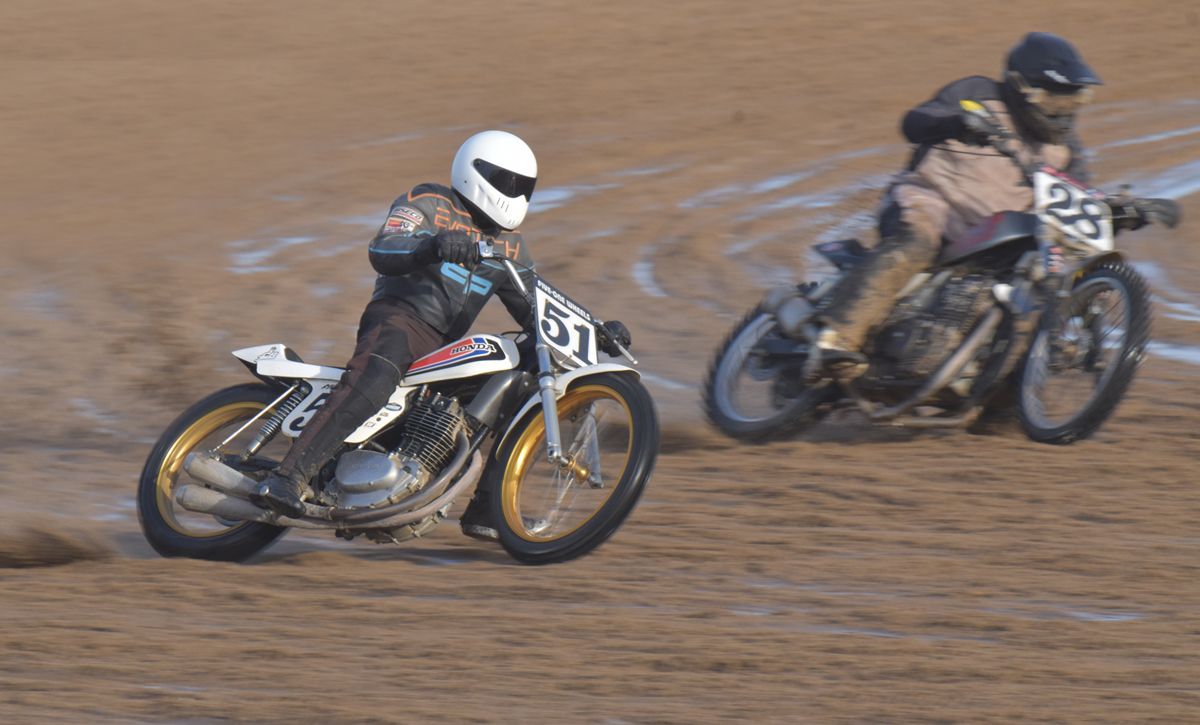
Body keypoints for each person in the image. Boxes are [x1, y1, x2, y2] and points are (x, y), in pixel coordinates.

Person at [253, 130, 631, 541]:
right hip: (399, 319)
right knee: (376, 375)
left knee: (523, 374)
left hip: (445, 350)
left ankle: (488, 506)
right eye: (507, 182)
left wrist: (595, 331)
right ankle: (288, 477)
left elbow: (535, 307)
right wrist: (433, 246)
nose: (514, 193)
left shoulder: (512, 249)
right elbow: (384, 248)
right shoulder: (429, 201)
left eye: (523, 187)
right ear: (475, 172)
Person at [815, 32, 1104, 374]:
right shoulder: (977, 94)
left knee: (1033, 294)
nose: (1061, 112)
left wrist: (1123, 211)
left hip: (996, 237)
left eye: (1070, 103)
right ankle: (837, 339)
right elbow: (914, 123)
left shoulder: (1066, 149)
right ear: (1020, 87)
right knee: (915, 244)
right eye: (1053, 102)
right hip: (929, 204)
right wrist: (956, 121)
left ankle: (1000, 406)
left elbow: (1078, 198)